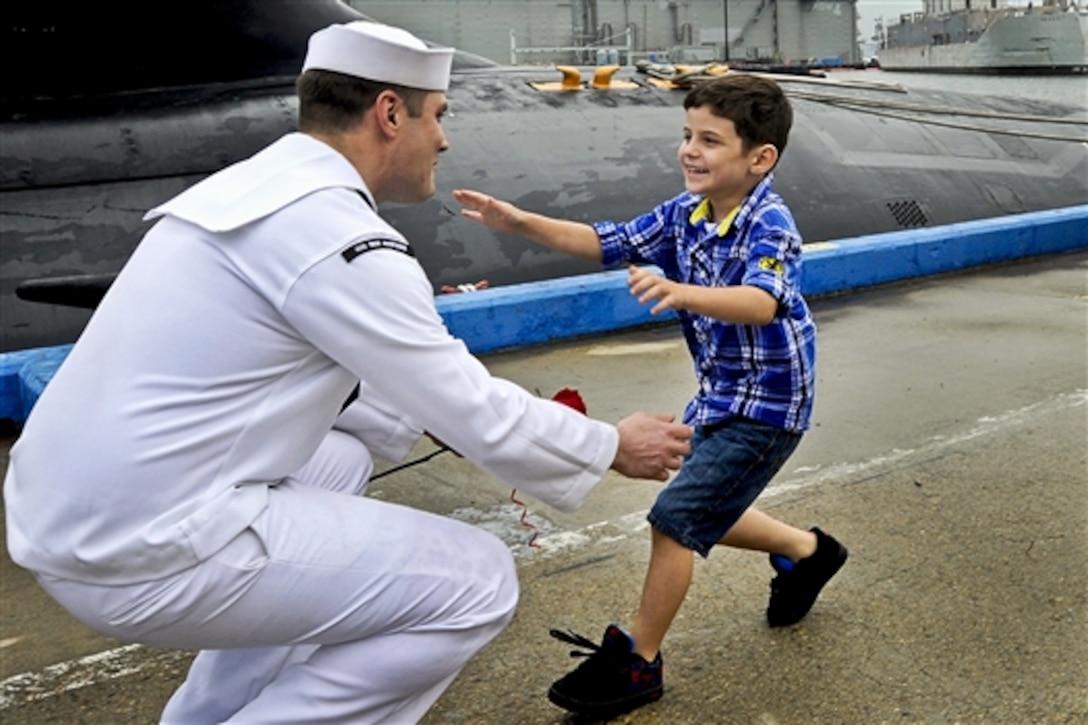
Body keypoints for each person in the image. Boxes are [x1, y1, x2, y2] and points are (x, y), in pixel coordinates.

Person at [2, 21, 693, 724]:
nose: (446, 140)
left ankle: (205, 714)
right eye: (439, 116)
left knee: (337, 460)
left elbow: (337, 380)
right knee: (477, 583)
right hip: (137, 549)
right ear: (391, 114)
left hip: (65, 511)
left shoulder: (250, 191)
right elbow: (469, 402)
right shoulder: (339, 236)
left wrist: (431, 416)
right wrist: (611, 445)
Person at [454, 73, 849, 719]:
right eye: (687, 135)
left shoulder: (769, 222)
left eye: (709, 141)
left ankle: (640, 659)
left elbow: (763, 300)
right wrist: (517, 220)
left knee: (674, 520)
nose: (689, 150)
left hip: (770, 404)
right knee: (698, 504)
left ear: (759, 158)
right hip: (722, 391)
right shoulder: (685, 213)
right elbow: (608, 240)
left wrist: (680, 292)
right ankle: (808, 552)